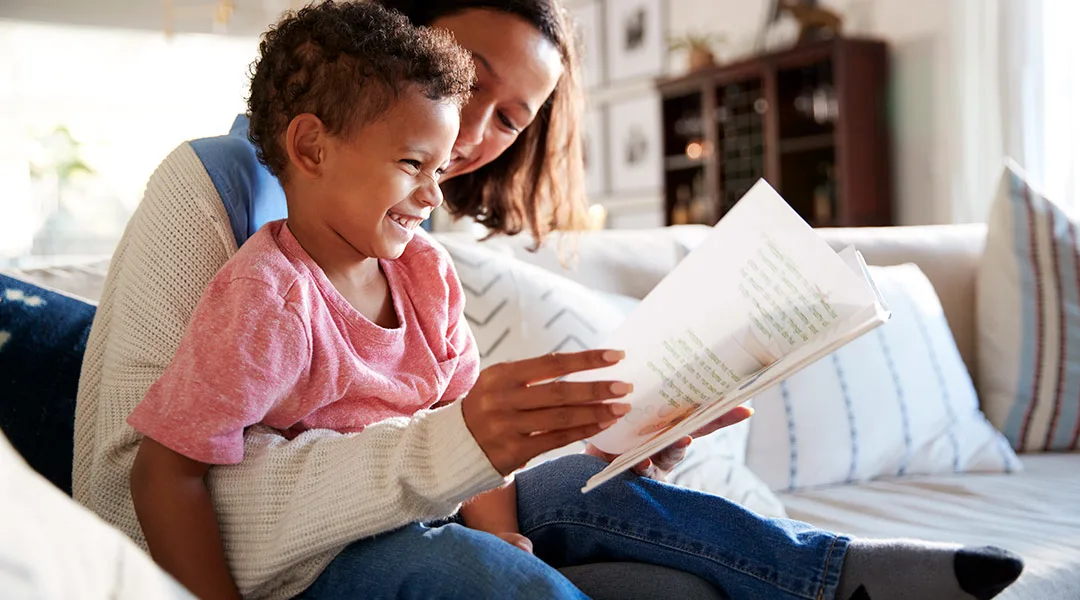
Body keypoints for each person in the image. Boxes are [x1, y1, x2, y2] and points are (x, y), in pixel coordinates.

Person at [75, 2, 1024, 600]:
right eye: (464, 90)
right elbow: (155, 481)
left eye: (505, 122)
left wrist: (619, 439)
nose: (459, 155)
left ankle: (823, 571)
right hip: (324, 552)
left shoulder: (417, 259)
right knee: (484, 573)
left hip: (439, 511)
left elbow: (456, 429)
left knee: (632, 529)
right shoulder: (250, 257)